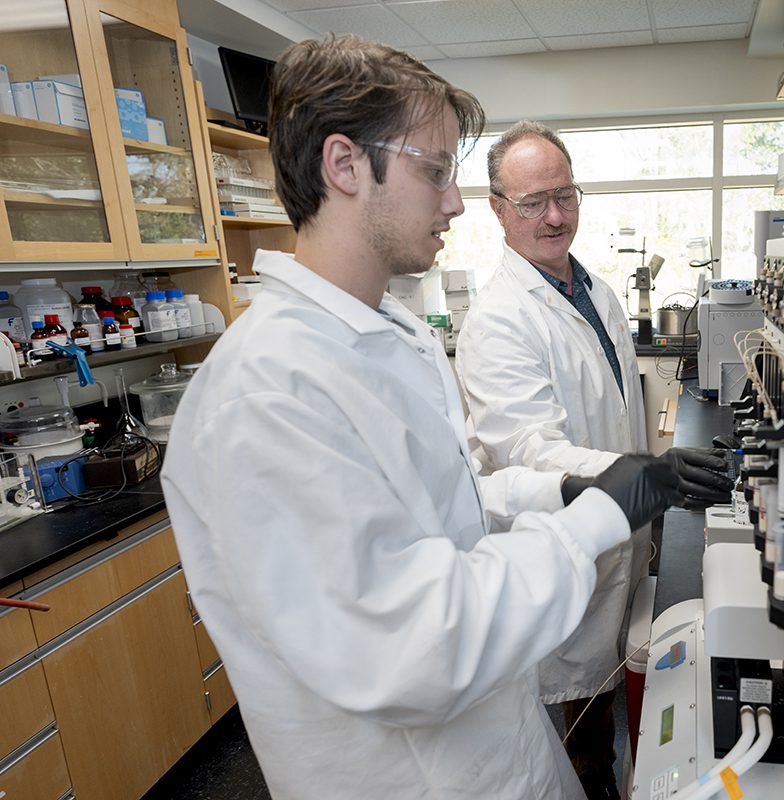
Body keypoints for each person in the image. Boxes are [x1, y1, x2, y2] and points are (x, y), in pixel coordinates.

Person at [160, 37, 680, 800]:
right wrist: (593, 517)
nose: (455, 202)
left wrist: (559, 494)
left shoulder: (391, 337)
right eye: (434, 171)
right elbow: (416, 646)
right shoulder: (266, 393)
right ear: (344, 165)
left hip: (495, 745)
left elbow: (453, 499)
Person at [455, 121, 732, 798]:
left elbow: (615, 414)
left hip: (622, 534)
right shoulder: (497, 320)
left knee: (610, 697)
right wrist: (645, 480)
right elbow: (530, 449)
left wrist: (654, 479)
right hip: (567, 547)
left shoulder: (594, 288)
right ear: (496, 208)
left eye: (565, 195)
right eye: (532, 202)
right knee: (575, 731)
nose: (554, 216)